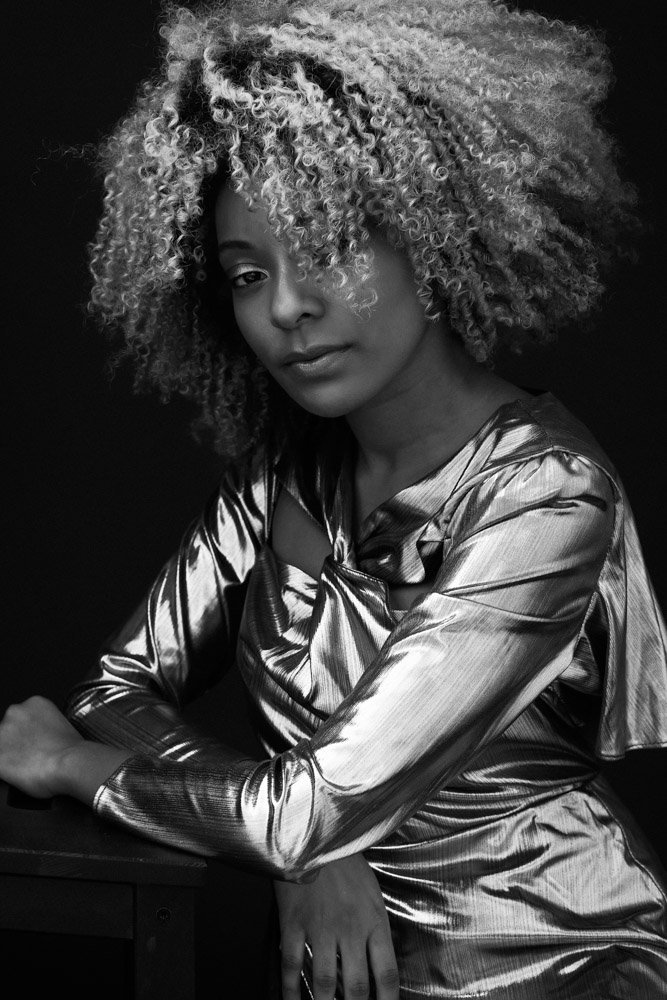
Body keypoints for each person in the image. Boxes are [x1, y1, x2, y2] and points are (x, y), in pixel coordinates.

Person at [2, 0, 667, 996]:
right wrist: (311, 843)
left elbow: (282, 804)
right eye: (245, 273)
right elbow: (116, 692)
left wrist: (76, 770)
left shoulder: (546, 499)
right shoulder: (282, 477)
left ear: (431, 238)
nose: (283, 309)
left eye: (328, 246)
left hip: (555, 959)